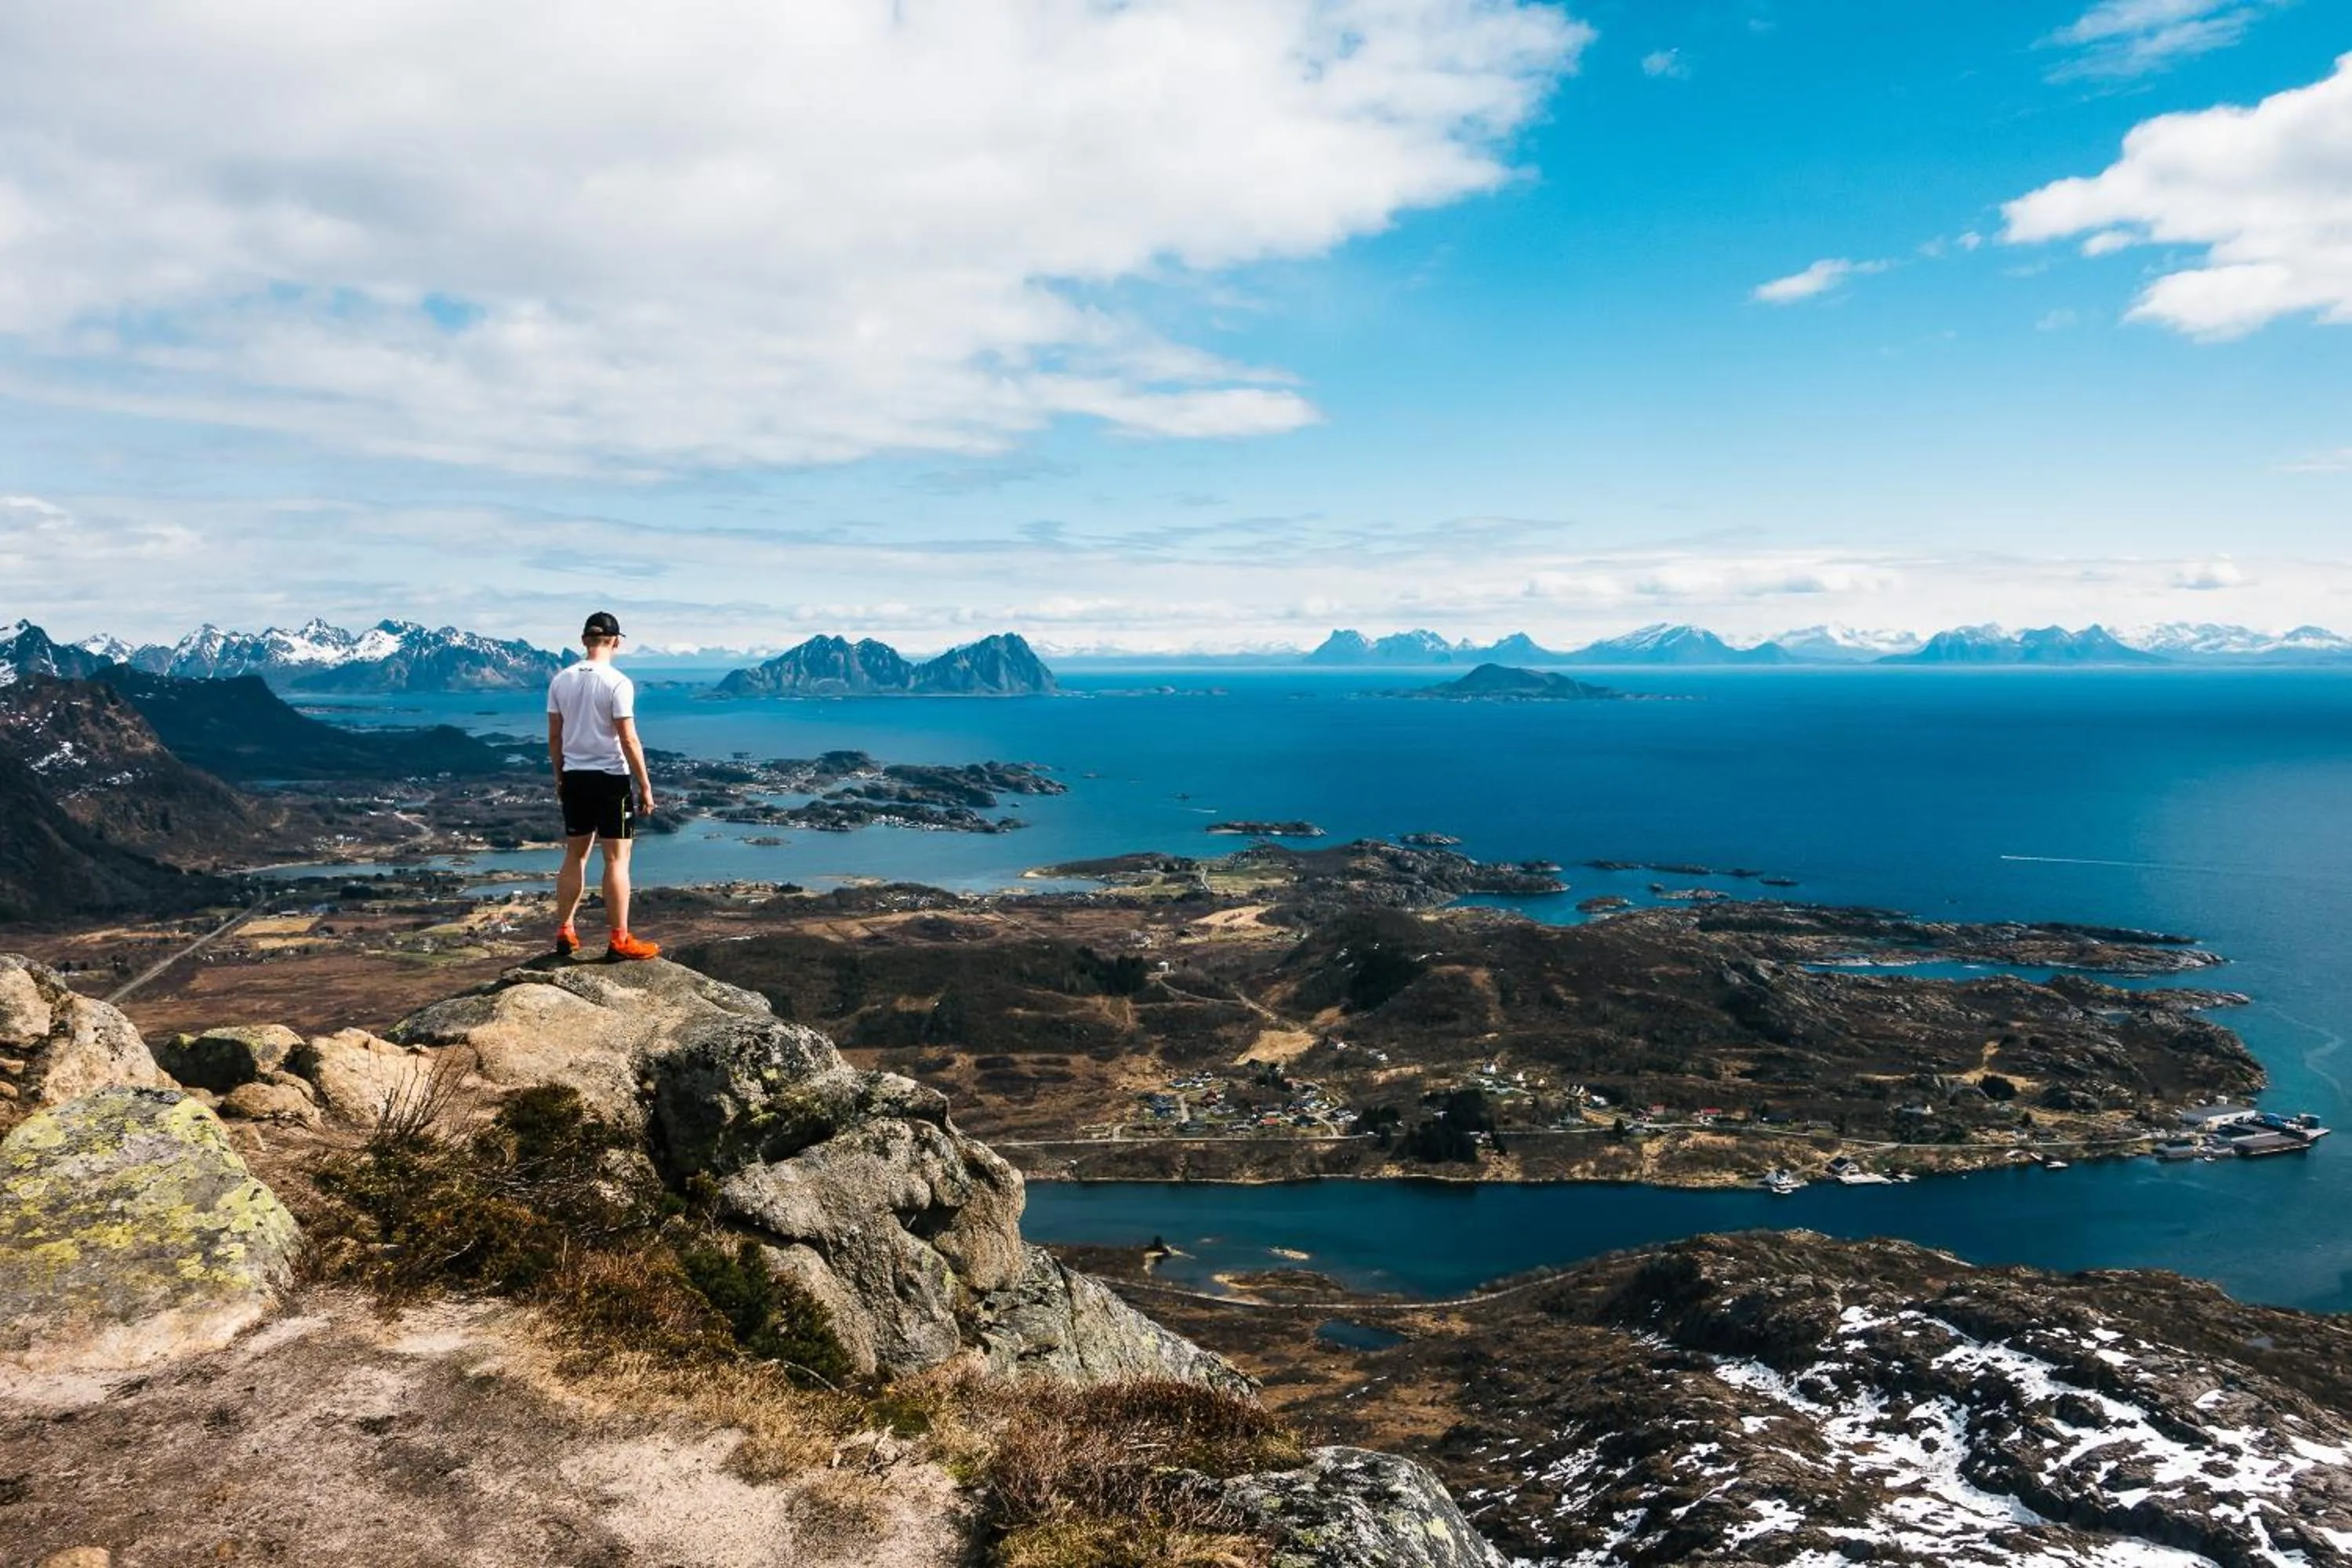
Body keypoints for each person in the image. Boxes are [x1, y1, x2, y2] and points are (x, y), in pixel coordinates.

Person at [546, 610, 659, 960]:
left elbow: (555, 736)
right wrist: (645, 785)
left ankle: (566, 929)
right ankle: (619, 938)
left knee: (575, 855)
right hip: (611, 779)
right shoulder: (617, 682)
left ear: (584, 640)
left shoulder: (560, 680)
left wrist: (561, 776)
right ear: (616, 642)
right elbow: (628, 738)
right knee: (617, 860)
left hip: (576, 777)